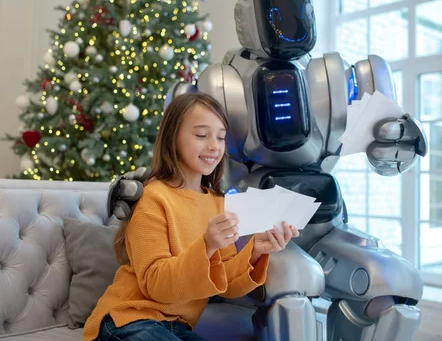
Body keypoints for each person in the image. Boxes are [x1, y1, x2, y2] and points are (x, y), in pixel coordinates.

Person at [83, 93, 299, 341]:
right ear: (172, 138)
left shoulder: (218, 203)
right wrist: (206, 245)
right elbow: (156, 285)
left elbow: (224, 283)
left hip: (177, 326)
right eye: (201, 135)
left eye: (220, 137)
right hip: (127, 319)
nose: (214, 146)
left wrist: (255, 251)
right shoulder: (152, 198)